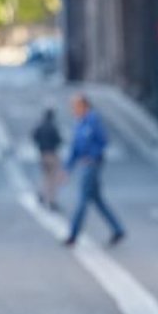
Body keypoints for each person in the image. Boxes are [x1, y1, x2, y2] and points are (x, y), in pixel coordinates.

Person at [63, 94, 125, 247]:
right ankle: (118, 229)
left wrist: (93, 156)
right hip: (85, 164)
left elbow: (103, 141)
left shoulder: (93, 121)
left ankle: (73, 234)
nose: (74, 110)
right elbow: (75, 147)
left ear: (84, 106)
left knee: (83, 200)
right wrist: (68, 167)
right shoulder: (80, 123)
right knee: (97, 200)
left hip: (92, 165)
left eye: (76, 106)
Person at [32, 109, 64, 211]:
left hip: (42, 154)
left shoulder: (40, 126)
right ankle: (51, 200)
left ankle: (41, 193)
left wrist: (40, 145)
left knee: (45, 176)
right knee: (52, 178)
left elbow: (34, 136)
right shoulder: (53, 127)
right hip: (52, 153)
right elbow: (59, 140)